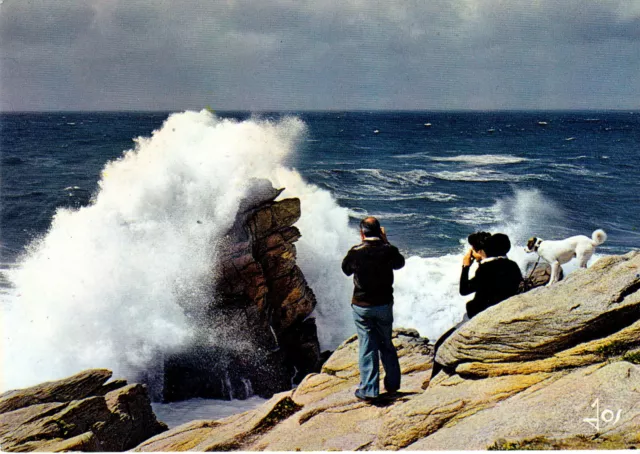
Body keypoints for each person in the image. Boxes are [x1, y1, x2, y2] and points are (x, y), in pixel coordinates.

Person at [429, 232, 522, 381]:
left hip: (479, 317)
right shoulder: (513, 266)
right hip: (502, 312)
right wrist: (481, 261)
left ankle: (433, 382)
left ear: (481, 251)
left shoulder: (486, 270)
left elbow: (464, 290)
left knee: (440, 345)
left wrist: (466, 266)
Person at [342, 216, 405, 401]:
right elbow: (399, 264)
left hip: (362, 305)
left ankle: (369, 390)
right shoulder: (389, 250)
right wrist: (386, 242)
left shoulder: (356, 252)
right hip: (384, 305)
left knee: (367, 345)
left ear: (362, 233)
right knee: (386, 343)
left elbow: (346, 270)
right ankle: (392, 386)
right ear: (380, 232)